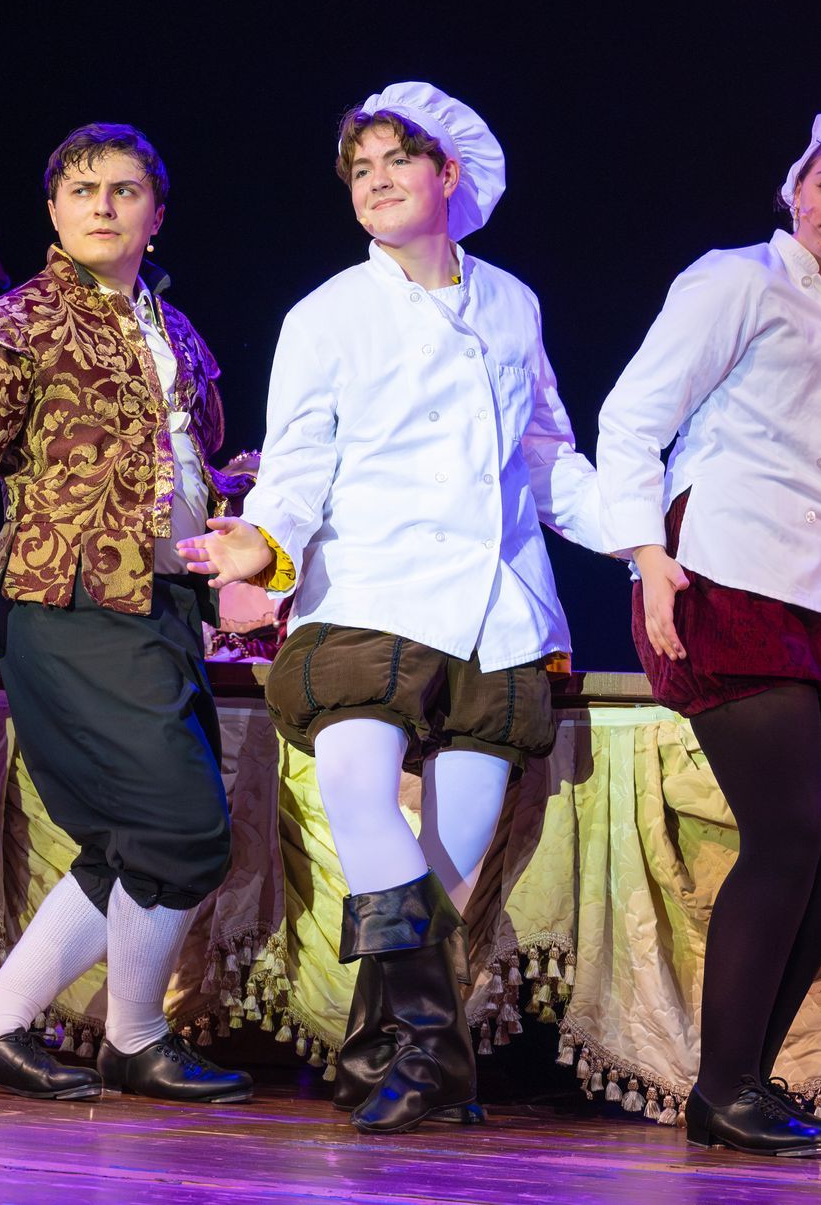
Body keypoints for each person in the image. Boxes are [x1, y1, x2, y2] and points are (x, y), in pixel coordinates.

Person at [176, 82, 610, 1134]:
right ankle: (433, 1055)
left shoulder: (512, 302)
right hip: (368, 588)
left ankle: (386, 1054)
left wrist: (645, 537)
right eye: (359, 169)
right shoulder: (326, 312)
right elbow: (301, 462)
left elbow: (546, 455)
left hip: (494, 607)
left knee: (451, 870)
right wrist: (263, 542)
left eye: (393, 163)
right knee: (365, 802)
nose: (372, 181)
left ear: (447, 175)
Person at [0, 123, 252, 1105]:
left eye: (122, 189)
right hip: (68, 603)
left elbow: (190, 468)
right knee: (184, 828)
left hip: (163, 605)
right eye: (80, 190)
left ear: (156, 211)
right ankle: (133, 1035)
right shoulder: (14, 323)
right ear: (55, 213)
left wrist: (248, 496)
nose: (101, 205)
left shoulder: (177, 332)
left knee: (136, 841)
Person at [594, 113, 821, 1156]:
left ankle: (748, 1077)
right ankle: (721, 1087)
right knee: (789, 830)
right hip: (727, 568)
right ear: (795, 185)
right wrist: (644, 551)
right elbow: (631, 417)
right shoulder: (735, 280)